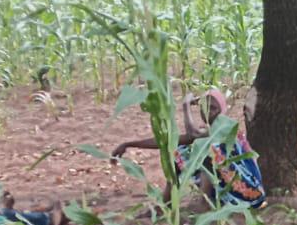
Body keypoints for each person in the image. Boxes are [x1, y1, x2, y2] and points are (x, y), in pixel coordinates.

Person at [110, 89, 265, 208]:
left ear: (221, 110)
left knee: (208, 154)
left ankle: (204, 207)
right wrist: (128, 144)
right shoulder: (208, 132)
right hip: (232, 188)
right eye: (204, 107)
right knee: (178, 151)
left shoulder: (225, 124)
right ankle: (165, 205)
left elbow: (193, 134)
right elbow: (169, 141)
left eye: (213, 108)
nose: (208, 112)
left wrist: (186, 106)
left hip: (249, 192)